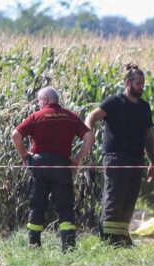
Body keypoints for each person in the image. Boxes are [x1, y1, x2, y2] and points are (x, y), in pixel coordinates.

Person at [11, 86, 94, 252]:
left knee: (37, 205)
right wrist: (77, 159)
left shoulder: (37, 116)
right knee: (65, 207)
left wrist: (24, 156)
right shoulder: (70, 117)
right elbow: (90, 136)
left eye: (39, 101)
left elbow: (15, 135)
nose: (38, 104)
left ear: (46, 100)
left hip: (39, 164)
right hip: (61, 166)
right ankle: (68, 247)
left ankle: (34, 246)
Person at [84, 63, 154, 247]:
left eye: (143, 83)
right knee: (114, 198)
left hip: (136, 159)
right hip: (115, 157)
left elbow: (149, 136)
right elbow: (91, 117)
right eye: (138, 83)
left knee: (130, 198)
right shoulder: (114, 102)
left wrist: (152, 162)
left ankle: (123, 237)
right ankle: (109, 239)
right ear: (127, 82)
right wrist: (89, 134)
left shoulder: (144, 107)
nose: (141, 87)